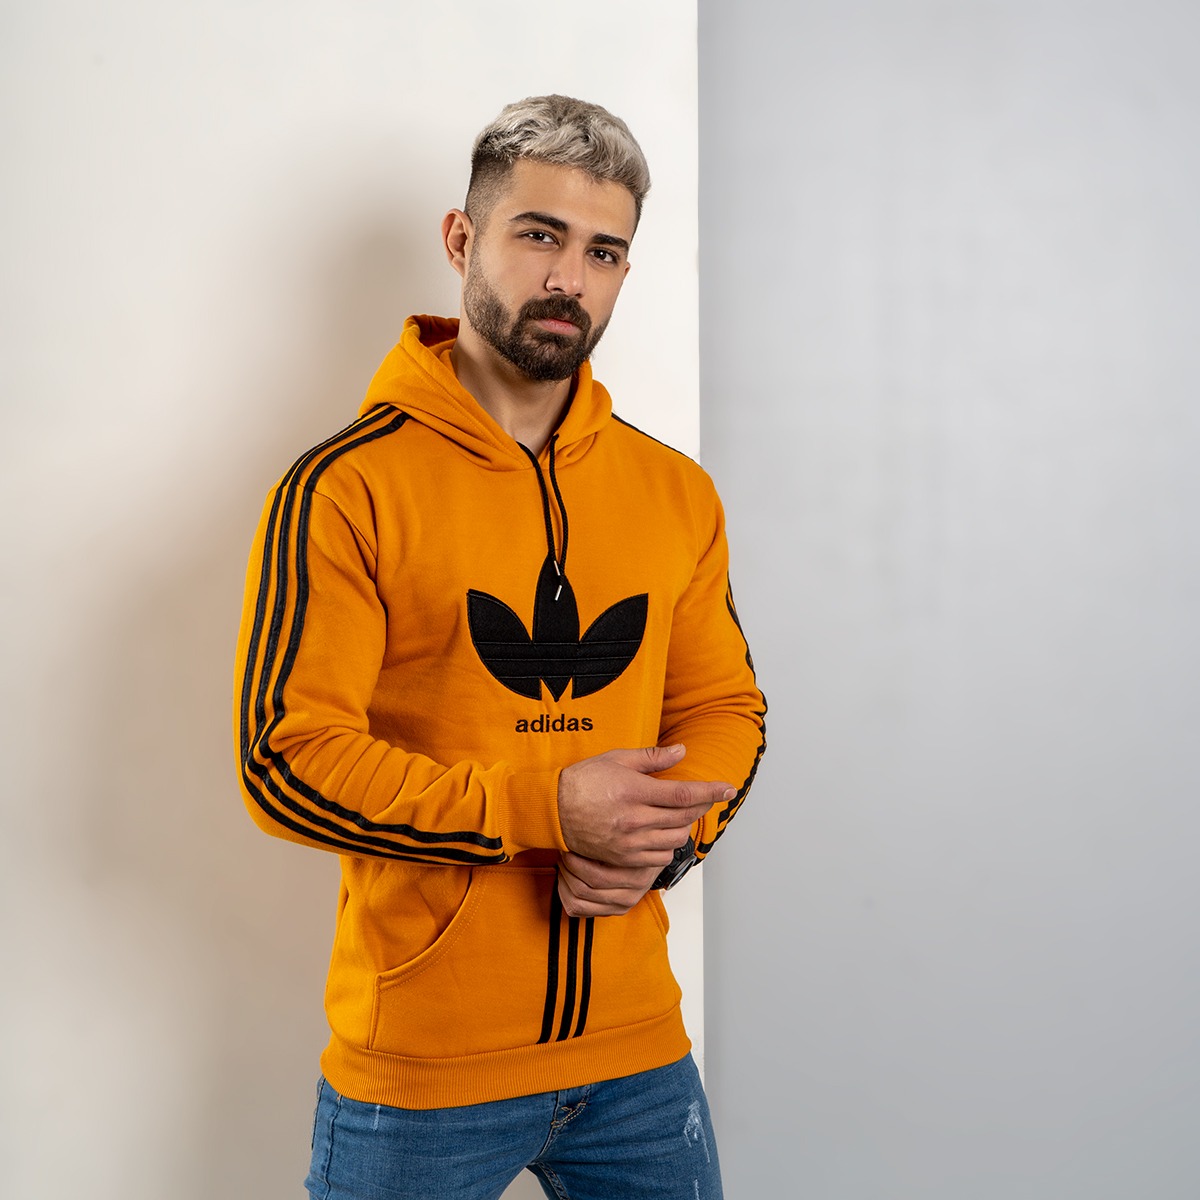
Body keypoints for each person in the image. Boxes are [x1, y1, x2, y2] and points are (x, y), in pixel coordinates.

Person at [233, 94, 765, 1200]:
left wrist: (662, 841)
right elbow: (287, 759)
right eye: (540, 234)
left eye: (604, 252)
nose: (570, 277)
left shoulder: (675, 492)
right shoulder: (344, 489)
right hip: (421, 1078)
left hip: (640, 1061)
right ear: (461, 239)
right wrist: (546, 811)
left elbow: (723, 708)